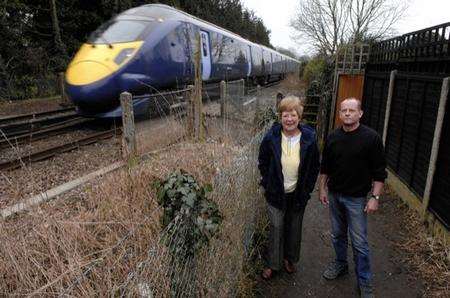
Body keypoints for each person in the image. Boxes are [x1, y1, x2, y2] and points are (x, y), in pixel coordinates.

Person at [319, 98, 387, 298]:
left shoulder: (371, 138)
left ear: (360, 113)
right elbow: (325, 168)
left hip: (356, 199)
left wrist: (374, 197)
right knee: (337, 235)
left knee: (359, 242)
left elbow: (379, 172)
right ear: (339, 114)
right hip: (335, 195)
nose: (347, 113)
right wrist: (322, 189)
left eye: (351, 110)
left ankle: (364, 281)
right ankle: (341, 264)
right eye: (344, 110)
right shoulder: (332, 138)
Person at [258, 96, 320, 279]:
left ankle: (289, 259)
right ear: (281, 117)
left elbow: (315, 166)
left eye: (293, 115)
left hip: (298, 193)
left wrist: (308, 189)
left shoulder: (309, 138)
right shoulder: (271, 137)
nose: (289, 119)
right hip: (276, 192)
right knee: (276, 227)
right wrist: (267, 182)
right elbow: (263, 161)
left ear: (299, 117)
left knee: (294, 228)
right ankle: (273, 264)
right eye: (285, 115)